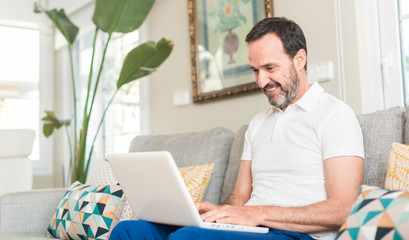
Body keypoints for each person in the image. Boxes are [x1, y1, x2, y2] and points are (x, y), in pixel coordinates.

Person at [109, 17, 364, 240]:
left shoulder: (335, 115)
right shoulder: (257, 124)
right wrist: (221, 212)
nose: (261, 81)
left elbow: (342, 208)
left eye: (270, 68)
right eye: (255, 70)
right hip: (252, 228)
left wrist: (259, 214)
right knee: (130, 231)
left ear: (299, 59)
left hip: (298, 235)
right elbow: (241, 195)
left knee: (188, 237)